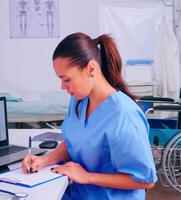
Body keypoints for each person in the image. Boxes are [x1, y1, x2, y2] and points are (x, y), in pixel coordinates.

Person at [22, 32, 157, 199]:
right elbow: (74, 143)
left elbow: (145, 180)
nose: (62, 86)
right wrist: (44, 160)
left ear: (91, 68)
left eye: (67, 79)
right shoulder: (79, 101)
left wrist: (87, 177)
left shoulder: (124, 116)